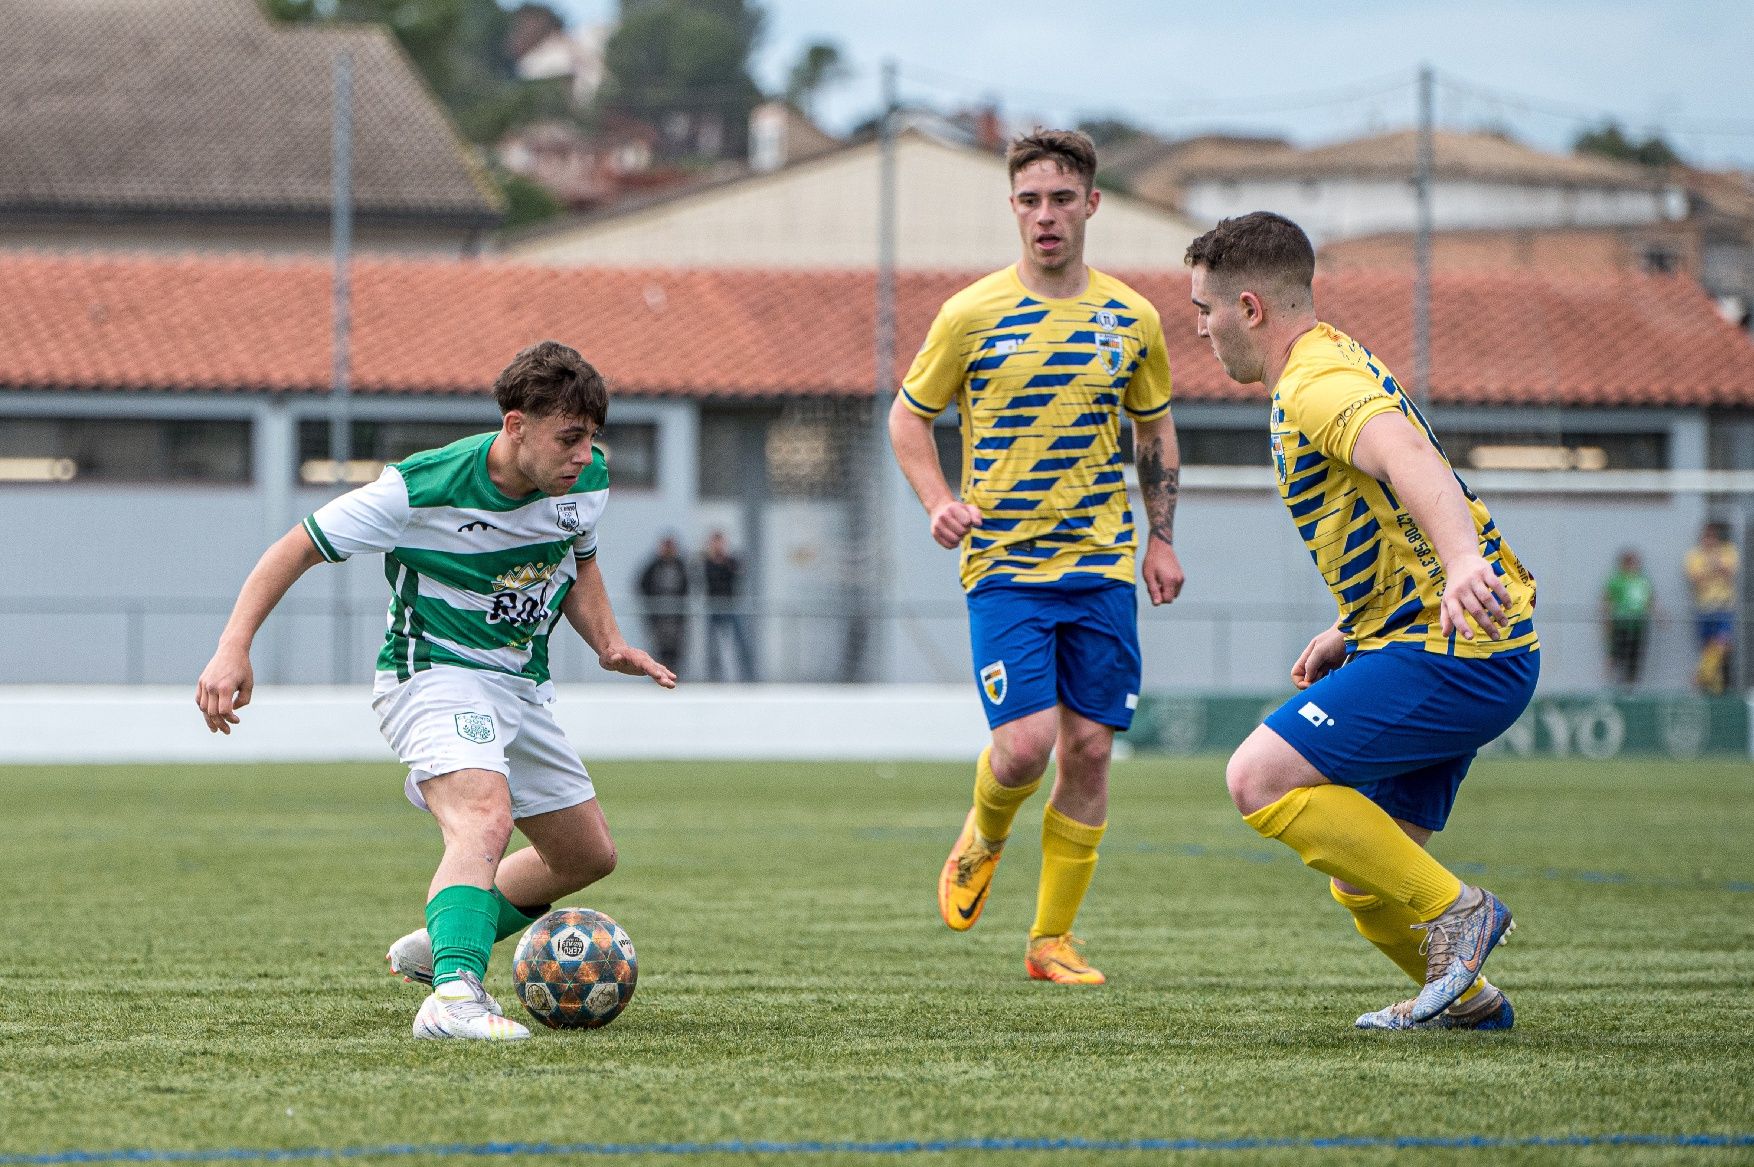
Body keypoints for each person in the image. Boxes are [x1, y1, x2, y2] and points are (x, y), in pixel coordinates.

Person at [195, 341, 675, 1042]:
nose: (583, 454)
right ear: (516, 426)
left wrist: (607, 642)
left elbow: (579, 558)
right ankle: (452, 996)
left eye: (592, 438)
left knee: (584, 854)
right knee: (485, 813)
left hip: (519, 684)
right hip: (433, 674)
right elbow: (296, 545)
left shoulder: (585, 482)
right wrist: (231, 646)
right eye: (569, 437)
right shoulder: (419, 487)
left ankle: (444, 936)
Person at [1185, 212, 1539, 1031]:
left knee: (1257, 776)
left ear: (1250, 306)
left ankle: (1461, 913)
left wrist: (1460, 564)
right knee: (1363, 875)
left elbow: (1408, 460)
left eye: (1204, 309)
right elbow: (1388, 506)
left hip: (1457, 650)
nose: (1199, 327)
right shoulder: (1328, 358)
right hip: (1440, 636)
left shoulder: (1316, 384)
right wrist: (1355, 624)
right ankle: (1470, 1005)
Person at [889, 129, 1185, 986]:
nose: (1046, 216)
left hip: (1100, 566)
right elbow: (910, 419)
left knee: (1089, 747)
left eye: (1061, 199)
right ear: (1012, 207)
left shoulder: (1133, 317)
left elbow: (1154, 428)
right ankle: (984, 833)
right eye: (1029, 200)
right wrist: (939, 500)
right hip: (1007, 567)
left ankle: (1049, 939)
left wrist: (1162, 537)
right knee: (1022, 748)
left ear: (1092, 204)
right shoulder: (970, 313)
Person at [1685, 521, 1737, 695]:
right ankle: (1713, 688)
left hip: (1723, 606)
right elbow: (1696, 579)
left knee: (1722, 643)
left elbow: (1729, 572)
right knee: (1709, 648)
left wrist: (1713, 565)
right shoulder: (1694, 555)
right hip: (1704, 607)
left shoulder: (1728, 550)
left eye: (1712, 537)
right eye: (1706, 537)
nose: (1710, 541)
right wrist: (1713, 567)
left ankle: (1701, 675)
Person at [702, 530, 757, 682]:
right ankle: (714, 678)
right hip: (713, 608)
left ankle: (748, 678)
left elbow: (739, 574)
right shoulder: (707, 562)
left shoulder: (730, 561)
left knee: (741, 644)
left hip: (731, 606)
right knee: (713, 648)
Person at [637, 534, 690, 677]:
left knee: (676, 648)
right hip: (658, 616)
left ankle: (674, 676)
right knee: (660, 647)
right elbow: (642, 583)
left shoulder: (680, 565)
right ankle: (659, 675)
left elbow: (688, 586)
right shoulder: (654, 566)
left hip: (676, 616)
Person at [1601, 549, 1653, 687]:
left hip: (1637, 624)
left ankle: (1630, 686)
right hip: (1621, 623)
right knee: (1616, 655)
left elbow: (1649, 600)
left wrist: (1660, 615)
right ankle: (1611, 684)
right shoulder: (1617, 581)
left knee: (1634, 657)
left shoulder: (1642, 581)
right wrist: (1607, 619)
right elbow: (1608, 600)